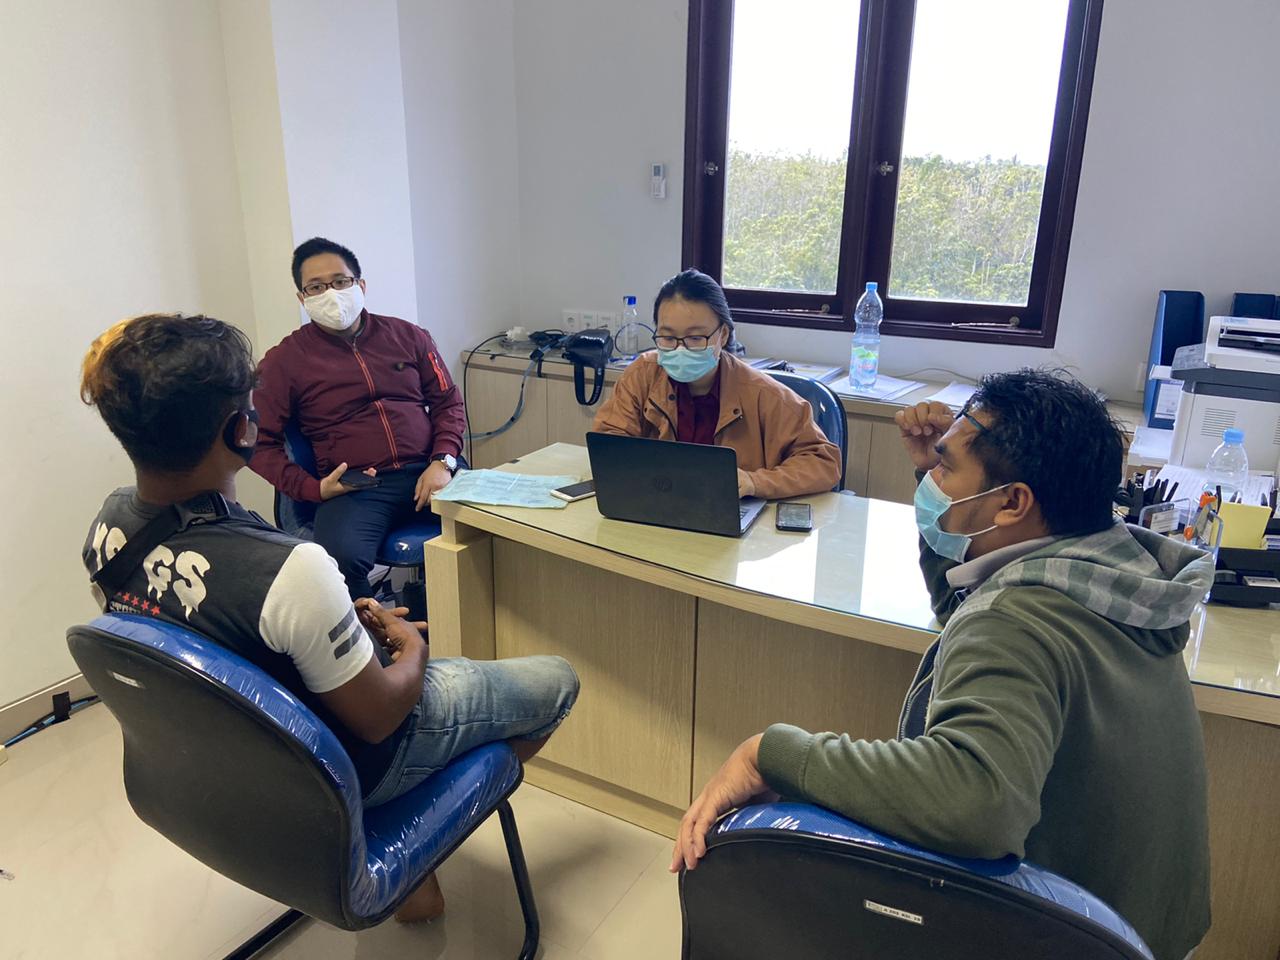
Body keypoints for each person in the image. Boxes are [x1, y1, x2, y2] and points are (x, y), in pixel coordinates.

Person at [672, 369, 1213, 960]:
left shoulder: (1016, 620)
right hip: (1140, 927)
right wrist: (939, 491)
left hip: (1067, 935)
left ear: (1013, 502)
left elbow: (974, 803)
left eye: (945, 468)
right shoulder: (1110, 571)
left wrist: (768, 753)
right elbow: (965, 597)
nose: (931, 478)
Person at [80, 313, 579, 922]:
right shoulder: (293, 568)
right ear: (241, 430)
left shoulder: (108, 528)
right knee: (557, 681)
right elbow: (380, 716)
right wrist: (414, 649)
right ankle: (402, 837)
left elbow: (212, 634)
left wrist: (332, 624)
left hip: (227, 769)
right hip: (340, 765)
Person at [250, 237, 466, 600]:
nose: (331, 293)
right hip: (359, 487)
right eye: (316, 287)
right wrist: (312, 489)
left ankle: (469, 619)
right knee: (340, 563)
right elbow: (257, 443)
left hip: (431, 469)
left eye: (340, 281)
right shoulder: (283, 361)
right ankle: (379, 634)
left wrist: (443, 461)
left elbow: (448, 402)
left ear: (360, 285)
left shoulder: (409, 336)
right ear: (302, 298)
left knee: (498, 526)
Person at [592, 269, 841, 499]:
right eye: (668, 337)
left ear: (722, 334)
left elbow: (823, 462)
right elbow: (608, 443)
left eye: (695, 337)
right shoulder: (643, 375)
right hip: (658, 505)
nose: (680, 348)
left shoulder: (763, 394)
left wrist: (755, 482)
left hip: (732, 514)